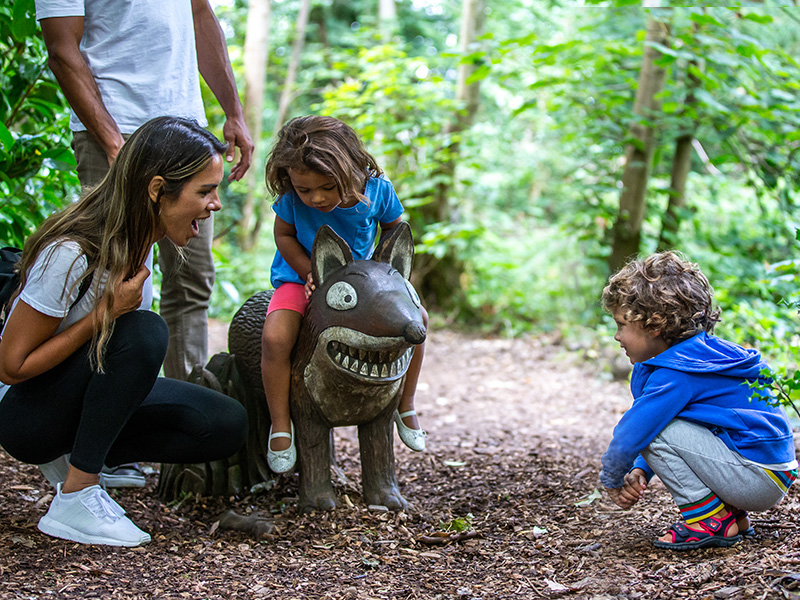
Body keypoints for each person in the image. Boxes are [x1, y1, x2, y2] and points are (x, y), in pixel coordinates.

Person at [0, 117, 248, 547]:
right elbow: (11, 366)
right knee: (144, 330)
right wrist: (105, 313)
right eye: (204, 191)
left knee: (224, 423)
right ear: (156, 191)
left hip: (75, 388)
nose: (215, 205)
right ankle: (77, 494)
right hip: (24, 416)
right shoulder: (72, 252)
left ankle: (80, 456)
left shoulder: (139, 243)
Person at [35, 0, 253, 487]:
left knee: (191, 281)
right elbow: (62, 49)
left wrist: (232, 110)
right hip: (114, 130)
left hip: (187, 134)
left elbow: (200, 16)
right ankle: (96, 447)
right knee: (111, 284)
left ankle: (182, 437)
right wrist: (114, 142)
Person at [260, 115, 428, 474]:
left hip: (366, 287)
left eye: (327, 187)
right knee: (276, 337)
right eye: (305, 190)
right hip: (298, 277)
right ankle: (280, 423)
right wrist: (308, 271)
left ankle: (406, 402)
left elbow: (395, 228)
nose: (316, 198)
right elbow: (284, 236)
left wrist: (382, 273)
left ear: (351, 169)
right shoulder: (292, 199)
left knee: (420, 321)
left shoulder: (378, 190)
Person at [600, 251, 797, 551]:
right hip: (767, 471)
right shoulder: (698, 357)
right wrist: (643, 467)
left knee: (650, 426)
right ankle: (731, 515)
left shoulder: (677, 374)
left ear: (654, 325)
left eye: (621, 325)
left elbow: (633, 433)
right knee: (657, 424)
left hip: (755, 477)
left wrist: (613, 477)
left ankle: (708, 520)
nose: (617, 336)